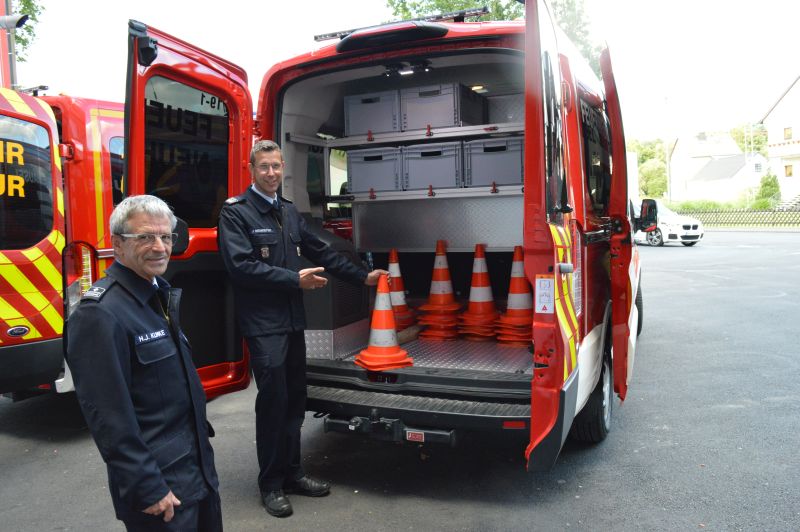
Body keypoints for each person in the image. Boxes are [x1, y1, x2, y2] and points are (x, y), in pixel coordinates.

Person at [218, 140, 386, 518]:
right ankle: (271, 484)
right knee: (273, 404)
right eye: (264, 167)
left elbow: (322, 252)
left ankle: (293, 474)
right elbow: (241, 267)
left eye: (277, 166)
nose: (272, 173)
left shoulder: (288, 212)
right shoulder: (236, 214)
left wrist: (363, 277)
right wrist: (295, 280)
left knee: (295, 401)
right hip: (264, 326)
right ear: (251, 169)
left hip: (292, 322)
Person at [66, 195, 222, 531]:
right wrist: (147, 486)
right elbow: (108, 418)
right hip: (160, 493)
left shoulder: (157, 296)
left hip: (195, 474)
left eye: (166, 237)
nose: (160, 247)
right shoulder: (100, 314)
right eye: (146, 237)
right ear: (118, 245)